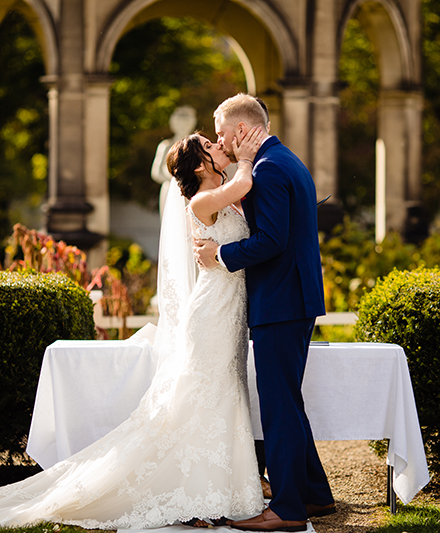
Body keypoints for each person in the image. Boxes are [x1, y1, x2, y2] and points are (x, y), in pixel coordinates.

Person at [0, 128, 266, 532]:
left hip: (229, 311)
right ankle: (194, 494)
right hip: (212, 311)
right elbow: (245, 182)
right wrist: (247, 155)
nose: (220, 148)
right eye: (212, 147)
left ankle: (211, 491)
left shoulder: (221, 193)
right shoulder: (202, 200)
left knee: (223, 393)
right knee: (206, 395)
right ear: (200, 165)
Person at [194, 94, 336, 533]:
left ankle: (288, 509)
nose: (219, 141)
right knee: (287, 402)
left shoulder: (269, 169)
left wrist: (220, 253)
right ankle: (314, 495)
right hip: (292, 297)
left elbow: (271, 241)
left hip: (282, 301)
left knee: (278, 407)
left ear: (241, 131)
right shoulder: (282, 159)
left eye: (221, 133)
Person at [151, 106, 197, 218]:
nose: (183, 127)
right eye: (180, 123)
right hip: (169, 190)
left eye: (186, 123)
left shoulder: (196, 146)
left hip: (190, 191)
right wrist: (175, 179)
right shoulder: (166, 146)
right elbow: (156, 173)